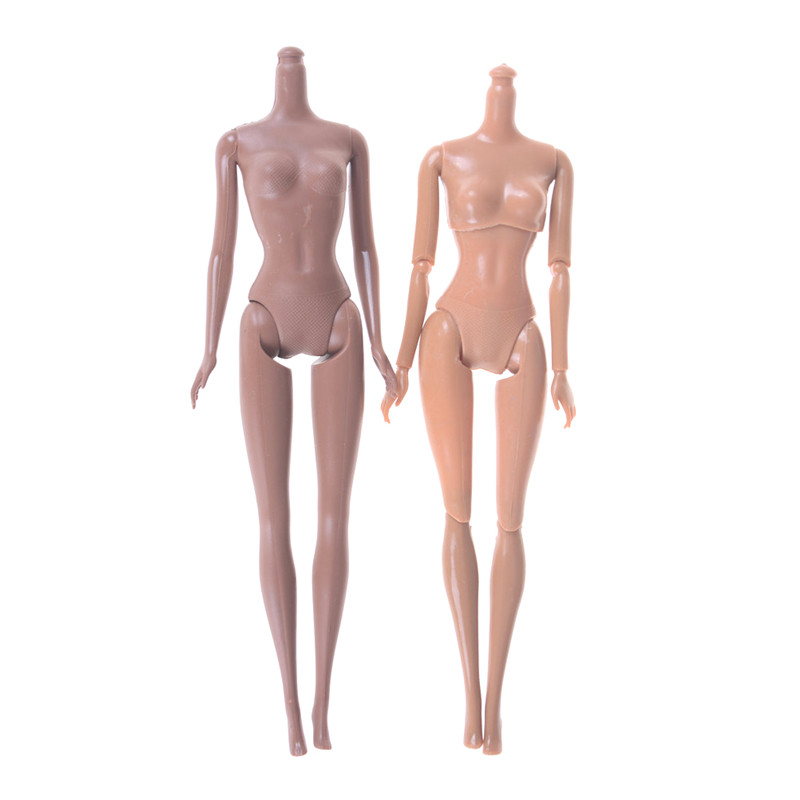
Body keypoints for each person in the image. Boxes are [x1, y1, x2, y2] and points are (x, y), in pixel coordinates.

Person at [192, 46, 396, 756]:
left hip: (338, 312)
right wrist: (209, 347)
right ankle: (288, 706)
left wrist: (380, 344)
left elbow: (366, 247)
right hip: (264, 316)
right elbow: (220, 250)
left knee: (335, 516)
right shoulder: (236, 142)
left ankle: (322, 704)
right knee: (273, 515)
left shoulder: (349, 140)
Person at [382, 64, 576, 754]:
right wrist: (401, 361)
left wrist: (563, 371)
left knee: (511, 519)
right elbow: (420, 268)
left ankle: (497, 703)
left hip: (522, 330)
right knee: (457, 509)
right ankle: (471, 702)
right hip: (448, 327)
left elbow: (560, 271)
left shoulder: (554, 163)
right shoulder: (441, 157)